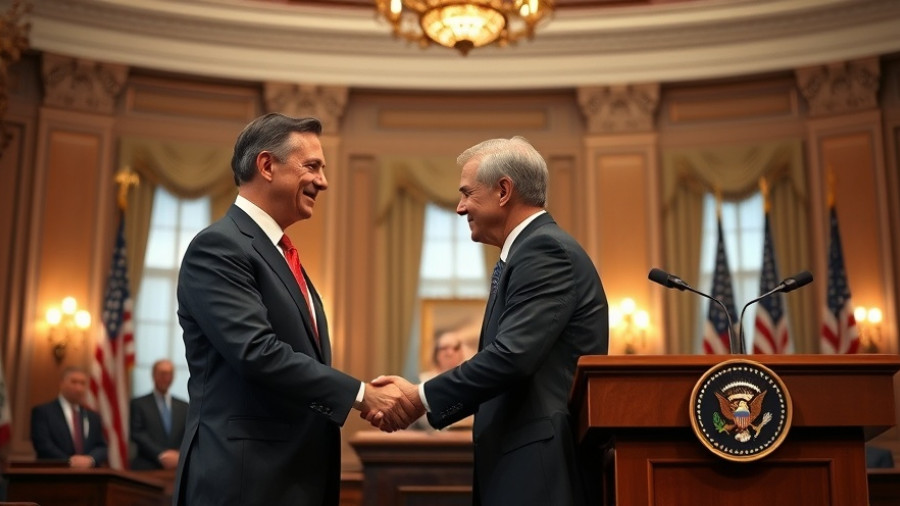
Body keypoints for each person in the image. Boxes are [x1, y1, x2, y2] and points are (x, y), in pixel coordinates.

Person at [173, 113, 417, 506]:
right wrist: (361, 395)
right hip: (243, 481)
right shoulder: (219, 247)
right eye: (313, 166)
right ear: (267, 166)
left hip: (290, 478)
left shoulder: (283, 255)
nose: (324, 181)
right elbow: (257, 351)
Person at [371, 136, 609, 506]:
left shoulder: (545, 251)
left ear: (503, 190)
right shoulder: (525, 254)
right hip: (521, 464)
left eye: (467, 193)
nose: (459, 207)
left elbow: (511, 357)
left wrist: (420, 397)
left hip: (540, 472)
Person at [30, 367, 108, 468]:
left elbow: (101, 446)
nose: (78, 388)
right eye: (74, 382)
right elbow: (43, 445)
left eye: (82, 383)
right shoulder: (43, 412)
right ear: (61, 383)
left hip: (87, 477)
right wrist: (69, 461)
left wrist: (90, 459)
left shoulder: (93, 416)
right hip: (53, 474)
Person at [129, 359, 188, 470]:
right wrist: (161, 455)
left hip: (177, 466)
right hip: (147, 466)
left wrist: (178, 455)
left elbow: (187, 433)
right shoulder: (139, 404)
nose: (165, 378)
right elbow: (137, 433)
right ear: (153, 375)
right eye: (162, 373)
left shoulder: (184, 406)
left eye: (169, 374)